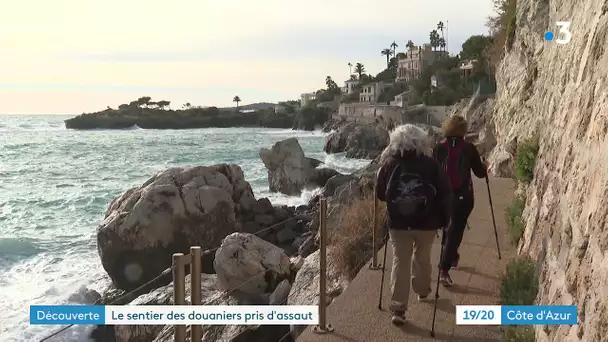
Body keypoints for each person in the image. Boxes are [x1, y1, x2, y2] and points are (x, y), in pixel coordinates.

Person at [376, 124, 453, 325]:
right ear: (421, 141)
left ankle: (398, 308)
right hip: (427, 222)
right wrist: (446, 221)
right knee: (423, 256)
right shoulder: (431, 164)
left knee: (400, 260)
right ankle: (422, 290)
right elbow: (445, 193)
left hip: (398, 223)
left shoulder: (389, 163)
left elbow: (380, 194)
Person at [432, 115, 487, 287]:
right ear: (463, 130)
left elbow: (433, 172)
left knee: (449, 228)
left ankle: (451, 256)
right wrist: (484, 166)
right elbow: (479, 173)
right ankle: (444, 269)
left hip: (442, 197)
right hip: (463, 198)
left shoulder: (438, 148)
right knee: (455, 231)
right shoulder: (469, 148)